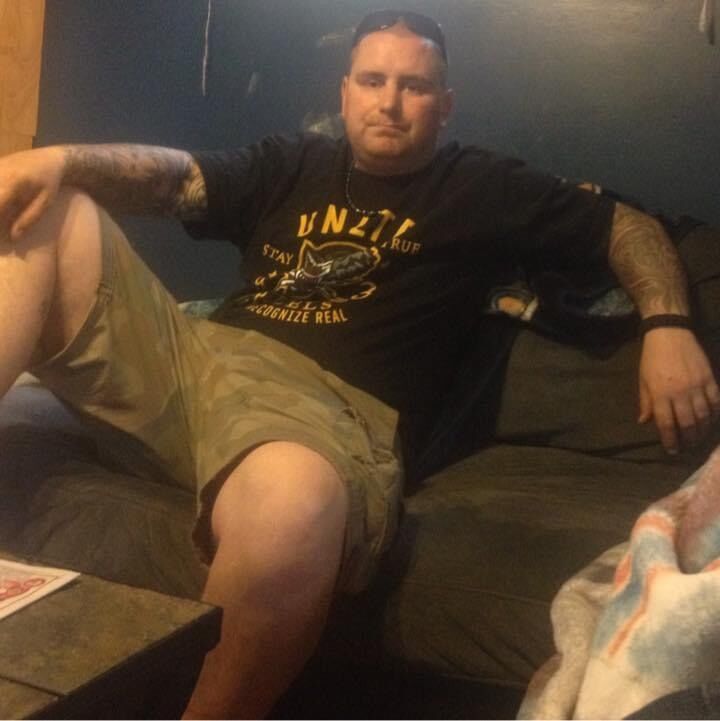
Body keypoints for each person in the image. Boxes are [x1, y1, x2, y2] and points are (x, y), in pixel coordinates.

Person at [0, 8, 718, 718]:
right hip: (193, 358)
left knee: (292, 506)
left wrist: (668, 324)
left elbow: (625, 226)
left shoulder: (481, 186)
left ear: (444, 105)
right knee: (52, 208)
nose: (390, 101)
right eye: (372, 80)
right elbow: (174, 179)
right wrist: (60, 160)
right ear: (344, 92)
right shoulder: (293, 163)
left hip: (321, 412)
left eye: (414, 85)